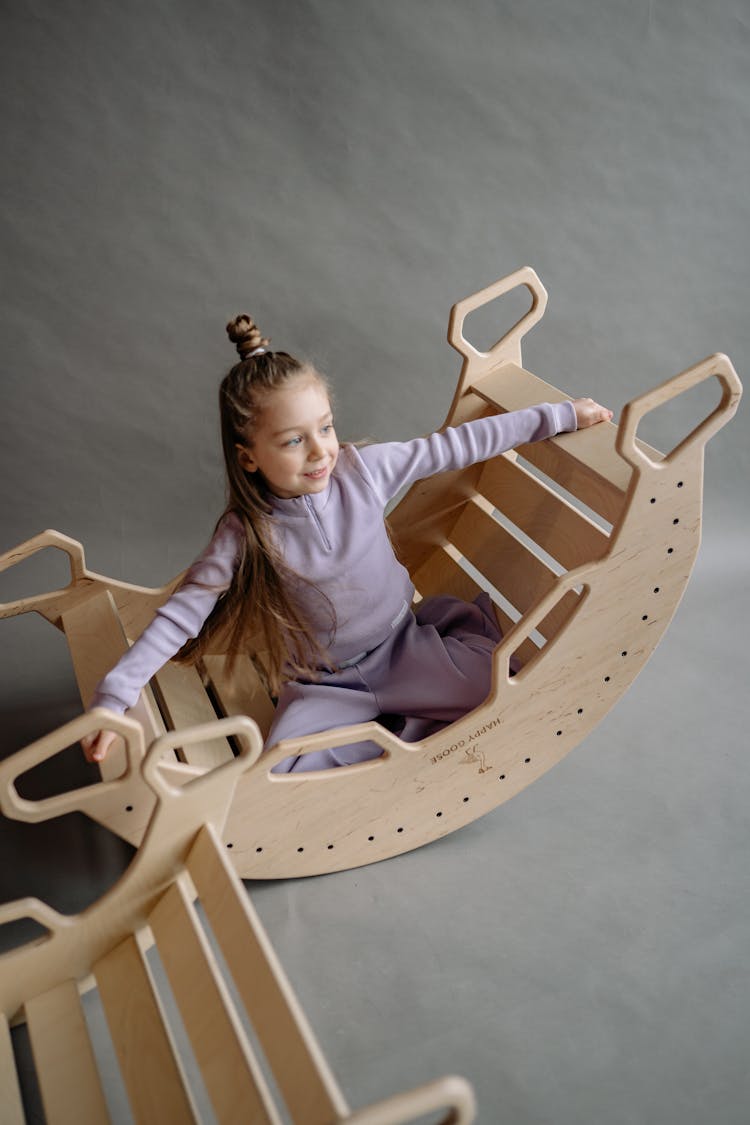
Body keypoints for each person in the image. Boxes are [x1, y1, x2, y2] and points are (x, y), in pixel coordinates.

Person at [82, 314, 612, 771]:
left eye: (326, 428)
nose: (319, 452)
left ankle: (418, 699)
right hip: (324, 683)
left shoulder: (363, 471)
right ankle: (397, 729)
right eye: (293, 441)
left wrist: (560, 416)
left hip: (401, 648)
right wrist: (114, 698)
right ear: (249, 456)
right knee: (285, 768)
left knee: (500, 686)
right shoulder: (245, 536)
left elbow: (457, 445)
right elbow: (181, 615)